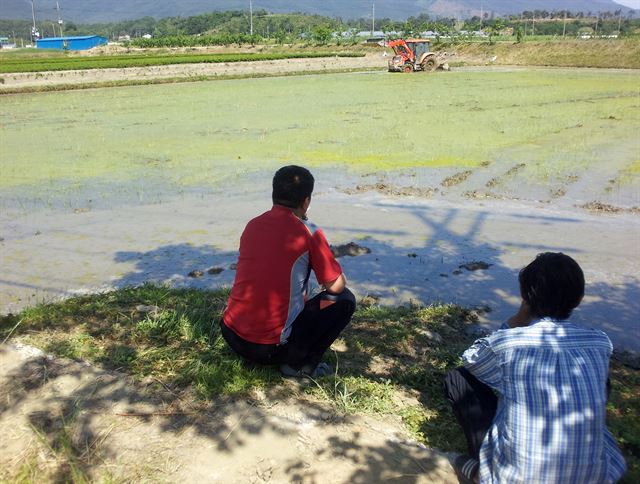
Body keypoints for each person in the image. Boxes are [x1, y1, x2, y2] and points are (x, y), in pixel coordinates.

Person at [444, 252, 626, 484]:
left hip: (516, 478)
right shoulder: (600, 342)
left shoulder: (508, 344)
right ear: (580, 298)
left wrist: (514, 321)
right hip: (596, 478)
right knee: (601, 381)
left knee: (458, 378)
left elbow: (471, 361)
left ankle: (482, 473)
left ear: (523, 296)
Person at [221, 165, 356, 378]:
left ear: (274, 195)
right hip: (269, 349)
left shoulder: (252, 225)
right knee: (345, 299)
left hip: (231, 334)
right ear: (306, 202)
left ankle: (266, 349)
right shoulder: (309, 232)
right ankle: (300, 365)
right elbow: (336, 285)